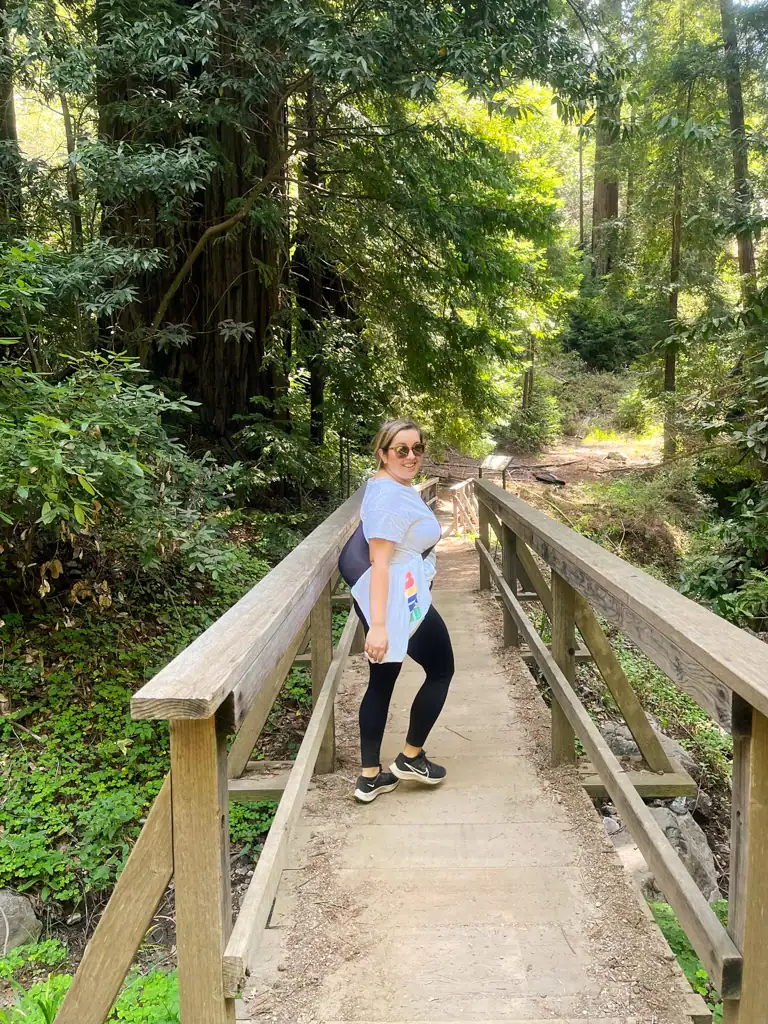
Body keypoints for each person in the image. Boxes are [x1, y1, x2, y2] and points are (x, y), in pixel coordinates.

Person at [343, 419, 455, 803]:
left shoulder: (388, 485)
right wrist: (377, 626)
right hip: (399, 598)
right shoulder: (390, 498)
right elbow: (380, 563)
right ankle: (410, 757)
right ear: (382, 453)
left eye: (417, 448)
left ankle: (370, 777)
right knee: (442, 670)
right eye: (401, 450)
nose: (411, 456)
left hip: (398, 591)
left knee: (382, 680)